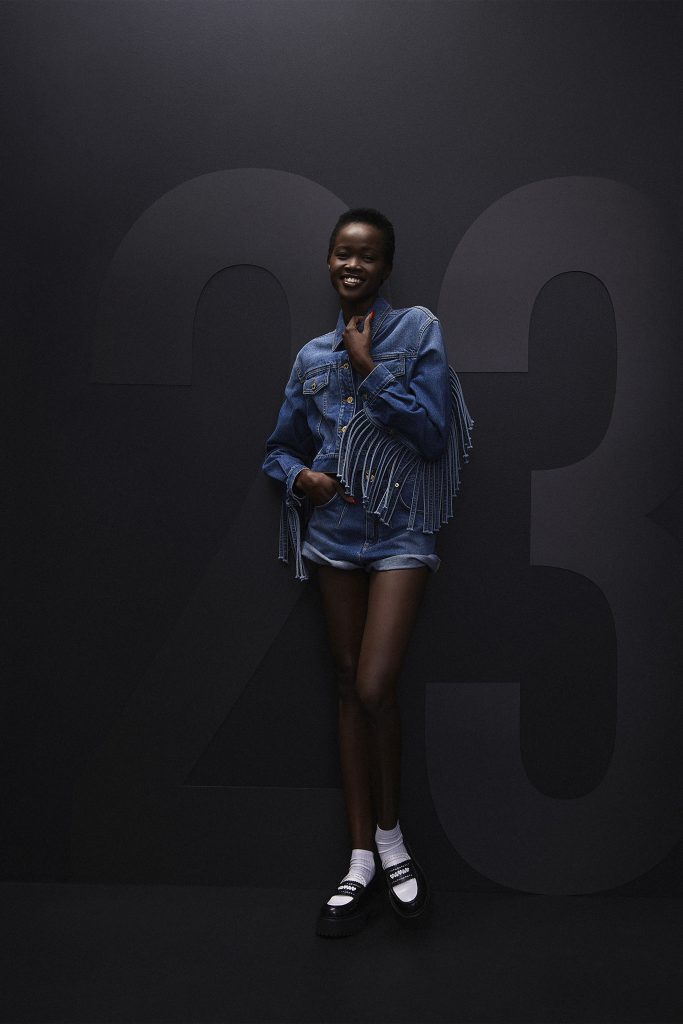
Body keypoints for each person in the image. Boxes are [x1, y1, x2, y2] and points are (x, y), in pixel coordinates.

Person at [262, 209, 473, 937]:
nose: (353, 266)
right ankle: (360, 860)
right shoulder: (309, 356)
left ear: (386, 267)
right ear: (329, 262)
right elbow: (278, 449)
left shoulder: (416, 330)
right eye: (343, 254)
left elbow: (434, 434)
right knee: (350, 685)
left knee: (378, 684)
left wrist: (368, 367)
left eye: (368, 256)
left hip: (401, 532)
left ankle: (392, 840)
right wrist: (303, 481)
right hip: (334, 537)